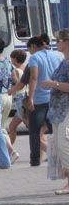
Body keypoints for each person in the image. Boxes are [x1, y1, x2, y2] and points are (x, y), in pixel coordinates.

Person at [11, 35, 62, 167]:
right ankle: (59, 158)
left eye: (30, 49)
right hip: (54, 98)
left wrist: (31, 98)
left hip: (39, 100)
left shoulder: (34, 58)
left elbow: (34, 77)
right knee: (54, 131)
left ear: (33, 46)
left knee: (34, 131)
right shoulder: (56, 56)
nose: (30, 52)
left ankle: (34, 160)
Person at [39, 29, 69, 194]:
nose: (56, 44)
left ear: (66, 42)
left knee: (64, 145)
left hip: (66, 109)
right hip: (58, 110)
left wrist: (53, 84)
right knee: (59, 146)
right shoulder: (63, 61)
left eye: (58, 41)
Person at [7, 49, 29, 147]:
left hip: (21, 99)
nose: (11, 61)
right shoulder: (25, 68)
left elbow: (16, 83)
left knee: (30, 127)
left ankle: (45, 148)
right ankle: (8, 148)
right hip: (26, 96)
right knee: (12, 126)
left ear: (15, 59)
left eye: (12, 59)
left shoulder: (15, 71)